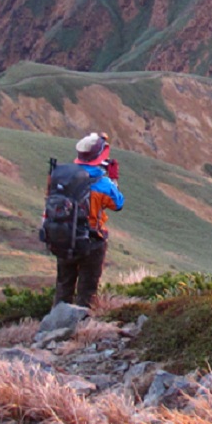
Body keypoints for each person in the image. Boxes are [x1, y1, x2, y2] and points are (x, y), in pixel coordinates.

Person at [54, 131, 124, 308]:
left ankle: (56, 320)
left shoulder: (63, 176)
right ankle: (83, 320)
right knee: (87, 290)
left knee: (63, 286)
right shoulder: (103, 183)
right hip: (92, 240)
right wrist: (113, 179)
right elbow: (118, 204)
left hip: (64, 238)